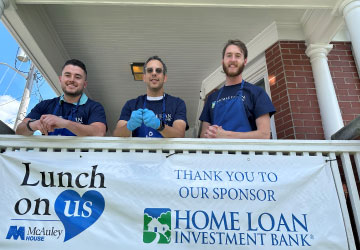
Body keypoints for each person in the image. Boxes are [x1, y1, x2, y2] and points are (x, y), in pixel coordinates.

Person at [199, 39, 275, 139]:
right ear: (223, 61)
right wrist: (210, 135)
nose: (233, 59)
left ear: (245, 61)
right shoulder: (212, 98)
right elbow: (203, 136)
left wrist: (226, 135)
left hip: (246, 154)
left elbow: (264, 135)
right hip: (217, 154)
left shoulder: (257, 93)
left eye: (238, 56)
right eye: (229, 55)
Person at [15, 59, 107, 136]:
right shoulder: (45, 105)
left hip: (80, 157)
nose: (71, 80)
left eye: (77, 77)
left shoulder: (94, 107)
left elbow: (99, 132)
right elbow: (19, 131)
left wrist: (65, 123)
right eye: (67, 75)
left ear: (85, 84)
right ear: (60, 79)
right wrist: (34, 125)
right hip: (47, 156)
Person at [113, 56, 188, 138]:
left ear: (165, 78)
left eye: (158, 70)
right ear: (144, 77)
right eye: (149, 70)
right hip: (140, 150)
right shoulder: (131, 104)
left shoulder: (177, 103)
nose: (154, 73)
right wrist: (129, 126)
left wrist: (159, 126)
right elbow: (116, 135)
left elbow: (180, 135)